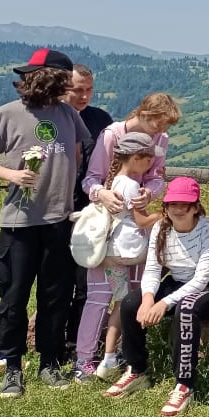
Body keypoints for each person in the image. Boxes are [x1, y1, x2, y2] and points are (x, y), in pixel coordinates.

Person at [0, 48, 92, 397]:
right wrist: (12, 174)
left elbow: (78, 151)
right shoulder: (8, 114)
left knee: (56, 296)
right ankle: (12, 367)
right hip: (19, 222)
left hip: (58, 220)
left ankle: (49, 363)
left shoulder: (68, 114)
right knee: (13, 297)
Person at [105, 177, 209, 417]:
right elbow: (152, 269)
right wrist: (149, 299)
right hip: (177, 281)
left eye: (185, 204)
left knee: (186, 309)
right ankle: (136, 369)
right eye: (173, 204)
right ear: (166, 207)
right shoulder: (161, 227)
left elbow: (201, 280)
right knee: (130, 303)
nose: (179, 209)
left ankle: (184, 383)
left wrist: (164, 303)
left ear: (195, 207)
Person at [79, 92, 180, 371]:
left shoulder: (161, 140)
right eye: (159, 125)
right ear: (145, 115)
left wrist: (149, 193)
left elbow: (157, 178)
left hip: (136, 236)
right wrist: (102, 194)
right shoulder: (111, 135)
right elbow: (90, 179)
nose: (162, 132)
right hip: (109, 234)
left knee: (133, 295)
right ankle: (85, 358)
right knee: (99, 297)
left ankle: (124, 354)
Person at [73, 131, 160, 382]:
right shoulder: (132, 185)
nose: (150, 165)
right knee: (125, 303)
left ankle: (93, 357)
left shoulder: (115, 181)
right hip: (129, 250)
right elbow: (140, 219)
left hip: (110, 253)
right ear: (135, 158)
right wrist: (160, 216)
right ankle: (113, 354)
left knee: (110, 301)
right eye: (147, 160)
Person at [63, 64, 113, 355]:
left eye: (88, 90)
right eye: (77, 89)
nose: (84, 96)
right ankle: (51, 344)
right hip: (56, 211)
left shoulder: (100, 119)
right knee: (58, 282)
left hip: (92, 213)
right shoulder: (53, 118)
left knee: (85, 282)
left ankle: (76, 345)